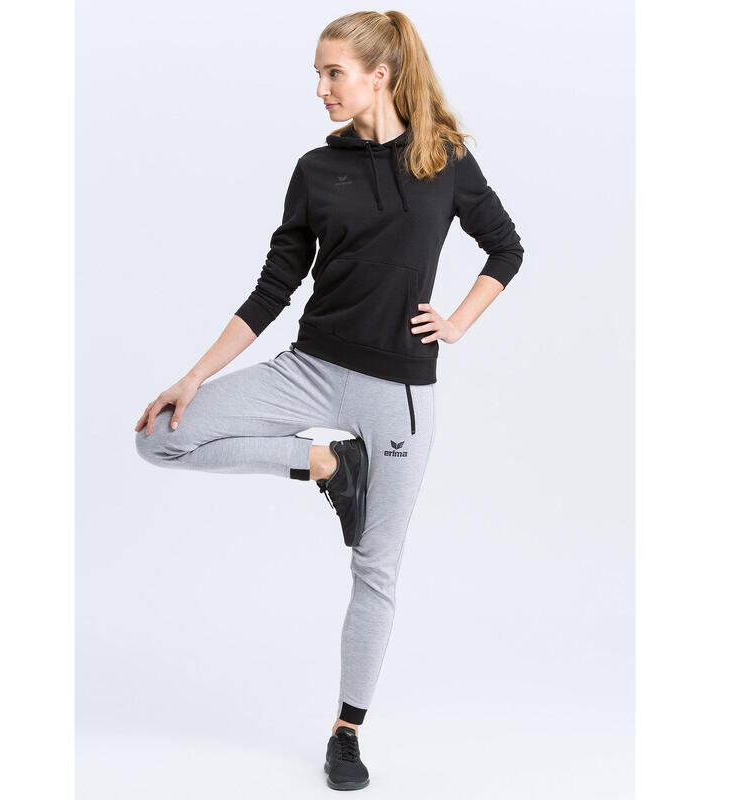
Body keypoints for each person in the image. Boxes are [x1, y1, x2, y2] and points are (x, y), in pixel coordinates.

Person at [134, 9, 523, 791]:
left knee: (376, 567)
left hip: (398, 393)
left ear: (380, 75)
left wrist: (456, 323)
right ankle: (324, 465)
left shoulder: (444, 161)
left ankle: (347, 731)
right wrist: (194, 377)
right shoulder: (316, 168)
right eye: (318, 74)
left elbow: (506, 247)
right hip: (309, 369)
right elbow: (274, 285)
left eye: (333, 73)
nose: (320, 88)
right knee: (160, 436)